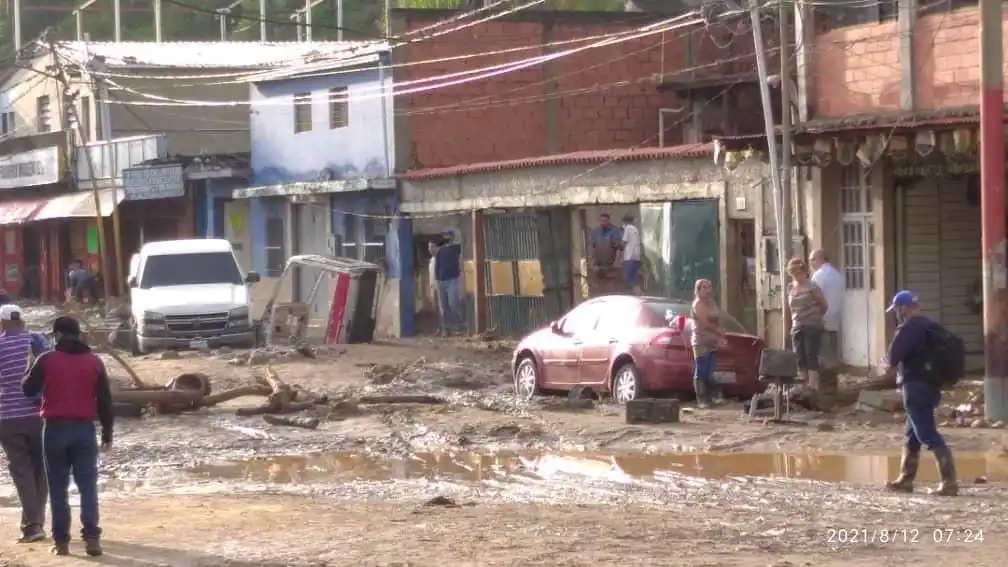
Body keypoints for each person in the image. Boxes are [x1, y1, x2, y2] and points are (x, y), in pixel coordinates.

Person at [22, 316, 114, 557]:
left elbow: (28, 389)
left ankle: (61, 542)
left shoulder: (47, 359)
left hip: (54, 429)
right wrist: (108, 433)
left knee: (58, 488)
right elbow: (105, 400)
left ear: (59, 334)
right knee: (87, 487)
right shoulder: (94, 362)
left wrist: (29, 365)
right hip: (84, 430)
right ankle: (92, 538)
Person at [883, 290, 958, 496]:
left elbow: (893, 356)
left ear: (903, 309)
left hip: (914, 385)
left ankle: (949, 481)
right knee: (912, 434)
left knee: (926, 433)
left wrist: (886, 363)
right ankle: (906, 479)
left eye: (897, 310)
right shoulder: (930, 326)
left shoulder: (908, 328)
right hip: (932, 386)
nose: (896, 314)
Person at [0, 304, 51, 544]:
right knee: (41, 469)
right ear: (22, 320)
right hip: (39, 414)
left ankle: (32, 526)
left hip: (8, 417)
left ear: (2, 323)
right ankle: (36, 522)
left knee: (22, 472)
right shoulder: (36, 340)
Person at [809, 249, 844, 410]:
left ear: (820, 259)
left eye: (812, 260)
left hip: (822, 323)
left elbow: (814, 299)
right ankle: (830, 397)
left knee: (822, 364)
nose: (811, 264)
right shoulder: (836, 274)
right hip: (834, 323)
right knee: (830, 362)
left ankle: (824, 400)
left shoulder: (819, 276)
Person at [786, 257, 828, 390]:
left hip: (812, 325)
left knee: (811, 355)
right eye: (793, 273)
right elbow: (788, 308)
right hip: (797, 325)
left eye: (798, 273)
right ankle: (802, 384)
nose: (797, 276)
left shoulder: (812, 286)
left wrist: (815, 317)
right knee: (800, 356)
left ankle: (813, 385)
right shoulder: (791, 288)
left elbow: (824, 304)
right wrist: (789, 326)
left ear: (804, 272)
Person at [690, 278, 724, 408]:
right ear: (697, 290)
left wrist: (720, 330)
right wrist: (719, 331)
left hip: (712, 341)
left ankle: (711, 398)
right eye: (704, 288)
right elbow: (705, 323)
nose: (707, 290)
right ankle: (702, 399)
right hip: (701, 341)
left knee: (710, 371)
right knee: (701, 370)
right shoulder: (697, 304)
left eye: (708, 287)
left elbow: (719, 317)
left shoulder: (712, 303)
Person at [433, 230, 465, 337]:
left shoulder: (456, 248)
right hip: (441, 280)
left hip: (452, 279)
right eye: (445, 236)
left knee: (453, 303)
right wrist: (436, 279)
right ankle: (445, 329)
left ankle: (460, 323)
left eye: (448, 236)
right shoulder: (440, 251)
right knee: (443, 306)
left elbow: (461, 248)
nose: (446, 238)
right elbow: (437, 266)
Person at [619, 213, 642, 294]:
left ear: (624, 221)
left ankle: (638, 296)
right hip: (636, 257)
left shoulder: (628, 228)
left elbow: (623, 242)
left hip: (629, 257)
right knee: (633, 278)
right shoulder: (635, 229)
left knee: (630, 281)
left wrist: (618, 246)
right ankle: (638, 295)